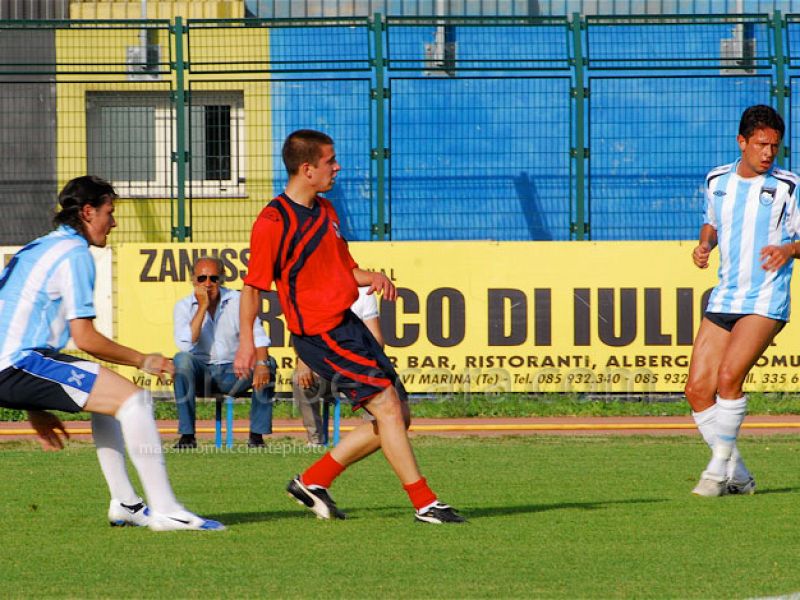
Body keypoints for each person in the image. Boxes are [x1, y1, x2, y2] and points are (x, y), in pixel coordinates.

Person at [234, 129, 464, 524]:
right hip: (320, 333)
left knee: (398, 414)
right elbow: (253, 288)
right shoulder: (273, 221)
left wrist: (371, 276)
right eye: (330, 161)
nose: (337, 167)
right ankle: (426, 503)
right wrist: (245, 344)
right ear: (307, 169)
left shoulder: (326, 210)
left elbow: (343, 269)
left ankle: (313, 481)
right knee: (386, 406)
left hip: (346, 323)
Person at [0, 175, 224, 531]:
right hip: (18, 364)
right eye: (110, 212)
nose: (114, 222)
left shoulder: (41, 246)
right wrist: (144, 360)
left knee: (112, 402)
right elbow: (86, 338)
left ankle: (126, 504)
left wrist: (32, 406)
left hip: (16, 365)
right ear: (88, 212)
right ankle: (166, 510)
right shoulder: (75, 254)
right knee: (135, 400)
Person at [686, 105, 800, 497]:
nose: (768, 153)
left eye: (774, 146)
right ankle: (739, 474)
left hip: (765, 298)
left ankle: (717, 471)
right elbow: (712, 222)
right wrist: (705, 244)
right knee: (697, 389)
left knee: (728, 379)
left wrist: (789, 250)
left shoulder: (788, 186)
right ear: (742, 142)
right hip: (725, 295)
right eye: (761, 144)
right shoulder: (717, 179)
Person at [172, 256, 276, 449]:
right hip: (202, 375)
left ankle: (256, 437)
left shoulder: (238, 300)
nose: (208, 284)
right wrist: (202, 307)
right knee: (181, 360)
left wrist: (261, 364)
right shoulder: (183, 306)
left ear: (222, 279)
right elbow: (185, 345)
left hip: (235, 372)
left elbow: (258, 334)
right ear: (193, 280)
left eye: (213, 278)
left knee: (267, 362)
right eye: (202, 279)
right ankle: (187, 436)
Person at [294, 286, 386, 446]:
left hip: (355, 368)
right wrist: (303, 361)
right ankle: (315, 441)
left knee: (375, 380)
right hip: (326, 369)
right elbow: (303, 334)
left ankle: (376, 436)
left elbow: (376, 339)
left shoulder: (364, 292)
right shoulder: (314, 288)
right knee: (300, 379)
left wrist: (360, 362)